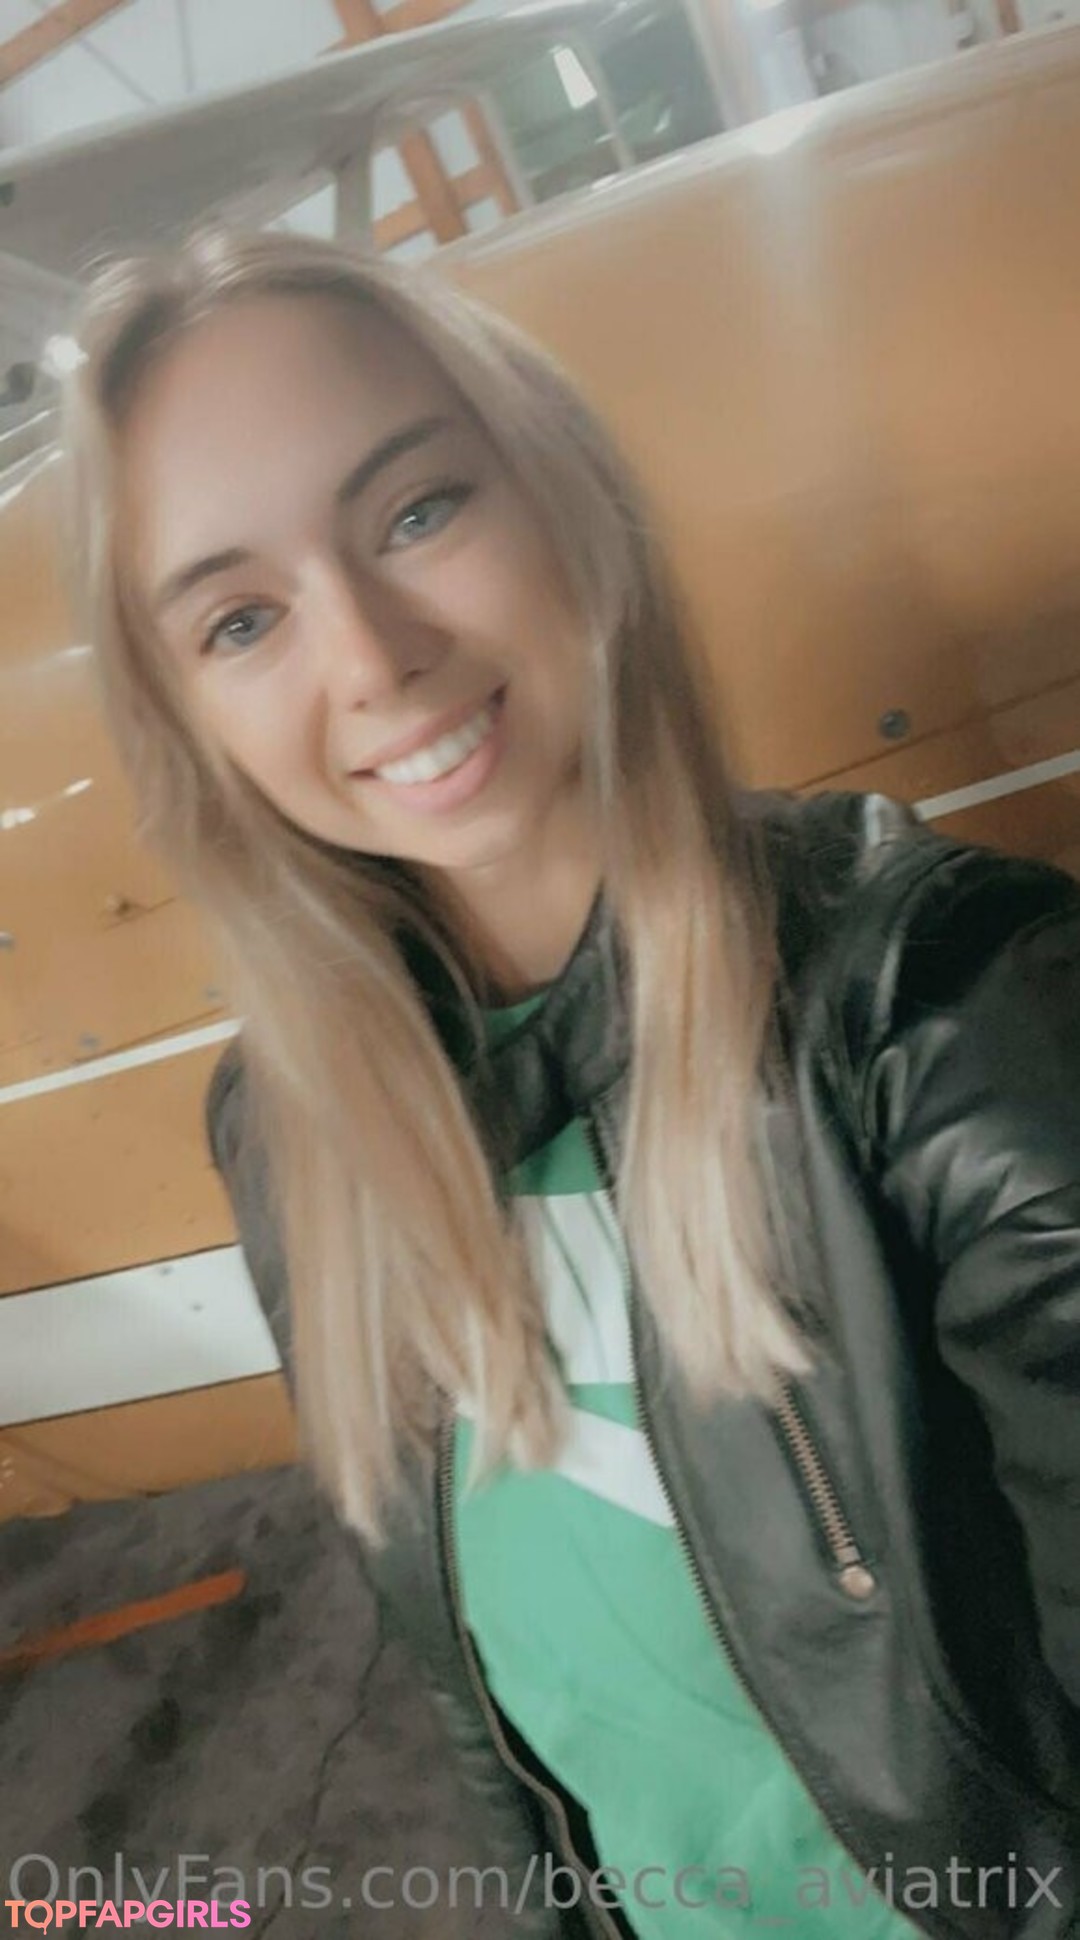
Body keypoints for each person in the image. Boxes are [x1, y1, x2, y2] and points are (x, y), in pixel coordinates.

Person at [62, 228, 1080, 1940]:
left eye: (416, 512)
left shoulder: (949, 1010)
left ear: (562, 497)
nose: (370, 656)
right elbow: (485, 1701)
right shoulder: (291, 1134)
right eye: (242, 618)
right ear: (193, 728)